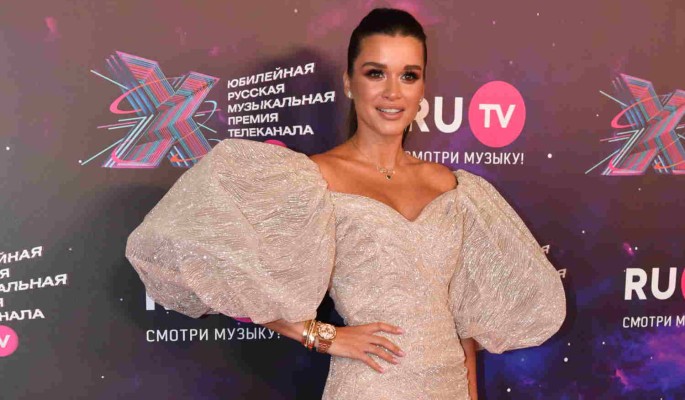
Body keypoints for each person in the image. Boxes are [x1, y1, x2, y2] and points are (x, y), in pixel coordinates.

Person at [125, 8, 566, 400]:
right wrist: (322, 336)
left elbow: (463, 326)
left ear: (422, 88)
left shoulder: (453, 187)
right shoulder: (312, 179)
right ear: (349, 83)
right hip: (369, 385)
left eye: (408, 75)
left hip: (447, 386)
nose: (392, 92)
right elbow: (212, 265)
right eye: (376, 73)